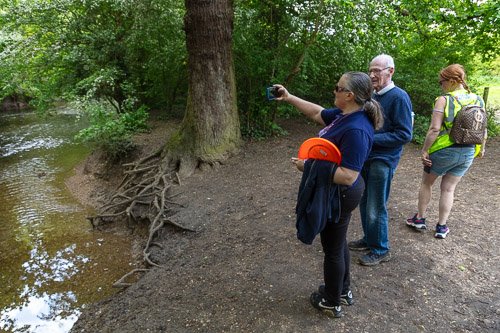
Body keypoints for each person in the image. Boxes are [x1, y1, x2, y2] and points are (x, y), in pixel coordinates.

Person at [273, 72, 384, 318]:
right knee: (337, 243)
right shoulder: (346, 115)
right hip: (340, 192)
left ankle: (332, 301)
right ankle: (342, 291)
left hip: (343, 192)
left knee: (332, 248)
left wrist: (309, 165)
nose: (334, 90)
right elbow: (316, 113)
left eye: (338, 87)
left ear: (349, 95)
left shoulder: (357, 128)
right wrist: (289, 97)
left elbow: (348, 175)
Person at [348, 54, 413, 266]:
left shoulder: (399, 97)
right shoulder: (372, 96)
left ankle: (381, 249)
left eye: (377, 71)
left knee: (376, 205)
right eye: (370, 71)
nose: (372, 75)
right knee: (365, 202)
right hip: (367, 157)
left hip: (383, 160)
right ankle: (369, 239)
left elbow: (404, 134)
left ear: (390, 71)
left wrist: (369, 138)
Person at [406, 64, 485, 239]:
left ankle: (420, 219)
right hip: (468, 151)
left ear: (451, 81)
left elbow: (434, 129)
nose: (440, 85)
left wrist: (425, 150)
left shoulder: (444, 99)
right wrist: (481, 149)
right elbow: (482, 128)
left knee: (427, 183)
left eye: (442, 82)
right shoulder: (478, 99)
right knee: (448, 189)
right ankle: (441, 227)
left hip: (443, 150)